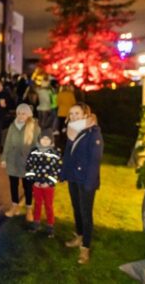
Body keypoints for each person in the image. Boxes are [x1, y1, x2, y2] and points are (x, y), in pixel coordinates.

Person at [61, 102, 103, 265]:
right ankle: (79, 236)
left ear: (85, 114)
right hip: (73, 177)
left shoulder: (93, 132)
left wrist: (89, 183)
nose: (73, 116)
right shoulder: (72, 130)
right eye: (71, 114)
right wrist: (64, 173)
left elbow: (95, 160)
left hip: (86, 180)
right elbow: (68, 155)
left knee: (86, 213)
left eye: (77, 113)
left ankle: (85, 247)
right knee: (76, 208)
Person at [1, 104, 40, 220]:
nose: (21, 116)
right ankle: (14, 206)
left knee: (28, 186)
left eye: (23, 113)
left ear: (28, 114)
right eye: (19, 113)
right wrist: (4, 158)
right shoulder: (13, 126)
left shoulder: (34, 127)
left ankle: (28, 209)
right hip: (13, 160)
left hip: (27, 162)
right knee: (13, 185)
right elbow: (7, 143)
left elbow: (37, 146)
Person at [25, 130, 62, 238]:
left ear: (51, 141)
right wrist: (33, 180)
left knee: (48, 205)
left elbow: (57, 171)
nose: (45, 141)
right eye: (43, 138)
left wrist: (49, 182)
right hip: (36, 185)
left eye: (47, 139)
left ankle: (50, 226)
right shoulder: (34, 152)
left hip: (48, 186)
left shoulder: (55, 154)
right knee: (37, 204)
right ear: (39, 140)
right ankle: (36, 223)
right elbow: (29, 166)